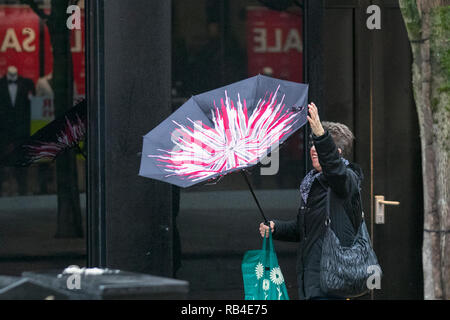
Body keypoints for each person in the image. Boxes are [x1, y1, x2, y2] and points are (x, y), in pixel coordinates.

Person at [259, 102, 364, 300]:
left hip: (331, 282)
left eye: (320, 145)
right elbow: (304, 229)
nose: (313, 149)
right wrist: (276, 228)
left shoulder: (346, 180)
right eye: (312, 145)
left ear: (336, 154)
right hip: (311, 281)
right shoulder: (312, 184)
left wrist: (321, 135)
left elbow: (336, 171)